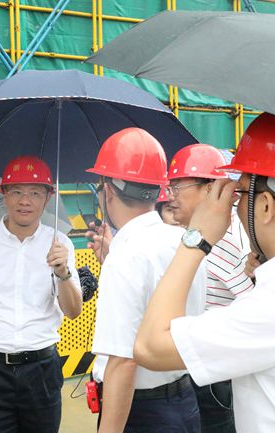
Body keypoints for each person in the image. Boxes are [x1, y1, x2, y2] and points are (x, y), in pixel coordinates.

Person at [134, 113, 275, 433]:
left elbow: (150, 347)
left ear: (266, 206)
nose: (234, 205)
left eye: (241, 193)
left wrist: (197, 238)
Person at [0, 155, 82, 433]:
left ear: (48, 197)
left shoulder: (60, 244)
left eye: (35, 193)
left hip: (41, 370)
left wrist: (63, 272)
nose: (25, 201)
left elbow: (72, 311)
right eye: (17, 191)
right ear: (4, 194)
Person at [87, 128, 206, 433]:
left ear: (107, 191)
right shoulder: (184, 241)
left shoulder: (125, 258)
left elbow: (123, 362)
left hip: (141, 412)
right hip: (184, 400)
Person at [166, 143, 254, 432]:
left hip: (211, 374)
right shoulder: (186, 234)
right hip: (191, 364)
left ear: (209, 190)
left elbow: (251, 304)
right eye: (170, 186)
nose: (170, 196)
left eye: (178, 187)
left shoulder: (223, 240)